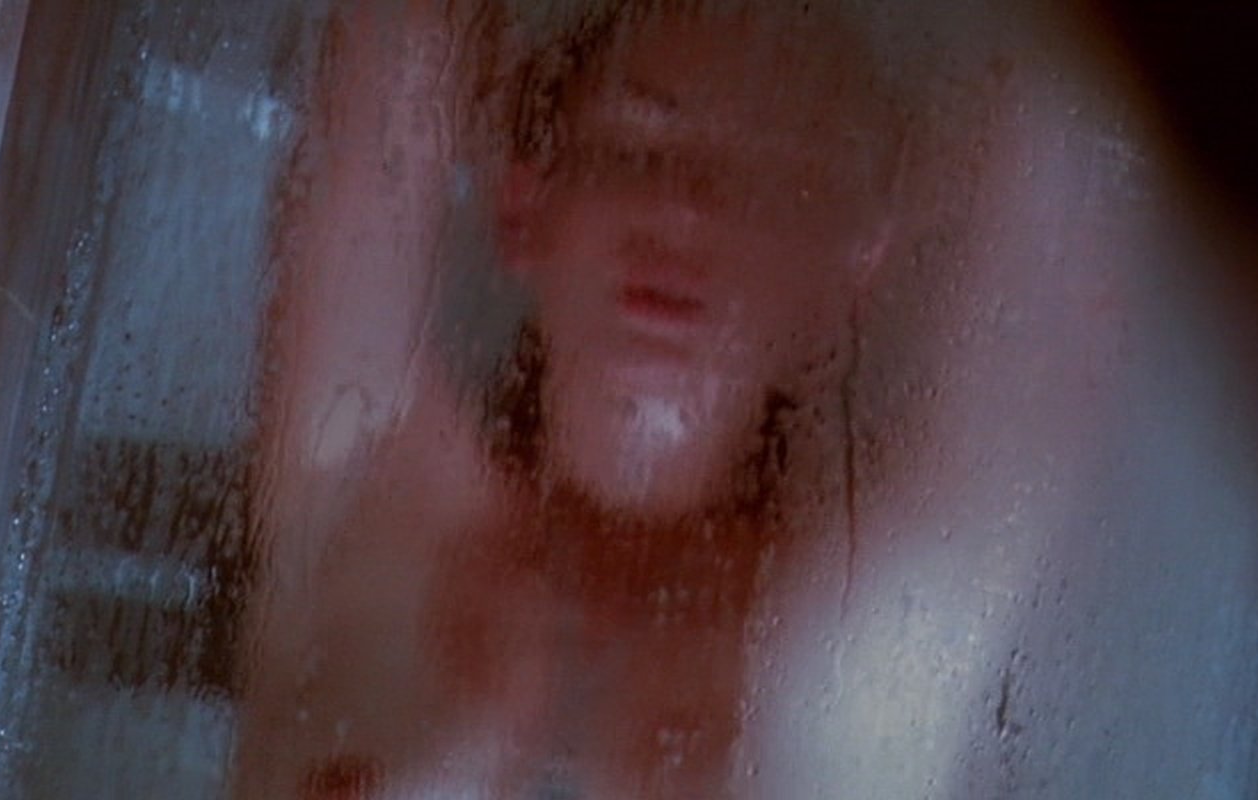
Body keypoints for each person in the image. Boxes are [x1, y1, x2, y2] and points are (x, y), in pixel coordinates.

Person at [231, 1, 932, 796]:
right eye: (634, 149)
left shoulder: (884, 615)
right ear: (523, 207)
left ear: (853, 270)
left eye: (766, 176)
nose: (683, 208)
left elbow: (1040, 157)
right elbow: (401, 42)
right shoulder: (369, 477)